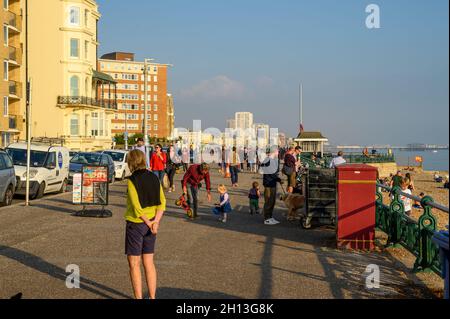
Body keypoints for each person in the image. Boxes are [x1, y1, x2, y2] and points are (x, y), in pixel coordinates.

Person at [125, 150, 166, 299]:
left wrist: (148, 223)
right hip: (152, 225)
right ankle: (153, 297)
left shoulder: (132, 180)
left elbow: (136, 207)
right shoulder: (154, 177)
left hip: (136, 225)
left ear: (131, 163)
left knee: (134, 263)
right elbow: (162, 203)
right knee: (149, 262)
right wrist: (155, 222)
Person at [260, 148, 282, 225]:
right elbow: (270, 172)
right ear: (274, 152)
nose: (278, 152)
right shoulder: (268, 160)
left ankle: (270, 216)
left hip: (272, 183)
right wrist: (278, 179)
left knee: (272, 201)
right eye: (278, 151)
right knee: (268, 201)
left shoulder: (272, 160)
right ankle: (266, 218)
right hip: (268, 184)